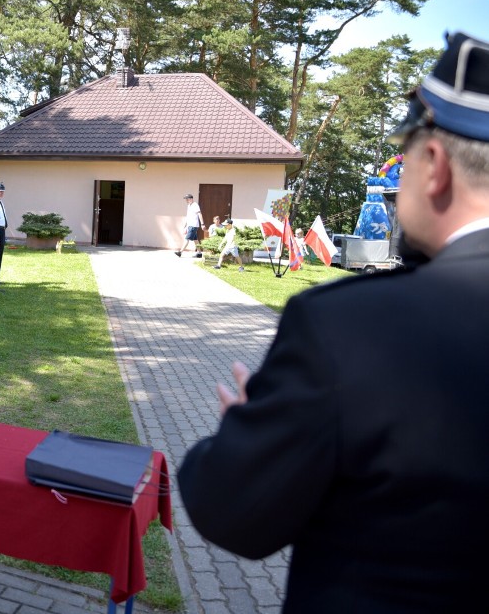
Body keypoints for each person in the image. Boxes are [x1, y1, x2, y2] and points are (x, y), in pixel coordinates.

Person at [177, 31, 489, 612]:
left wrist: (249, 433)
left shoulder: (349, 326)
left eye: (405, 158)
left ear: (436, 166)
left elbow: (234, 514)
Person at [175, 193, 203, 258]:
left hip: (193, 225)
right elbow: (188, 216)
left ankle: (180, 252)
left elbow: (200, 214)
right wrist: (185, 225)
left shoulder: (195, 205)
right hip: (190, 225)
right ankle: (199, 253)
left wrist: (202, 224)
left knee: (187, 238)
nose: (186, 200)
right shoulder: (189, 206)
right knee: (195, 240)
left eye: (187, 199)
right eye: (186, 199)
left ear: (191, 199)